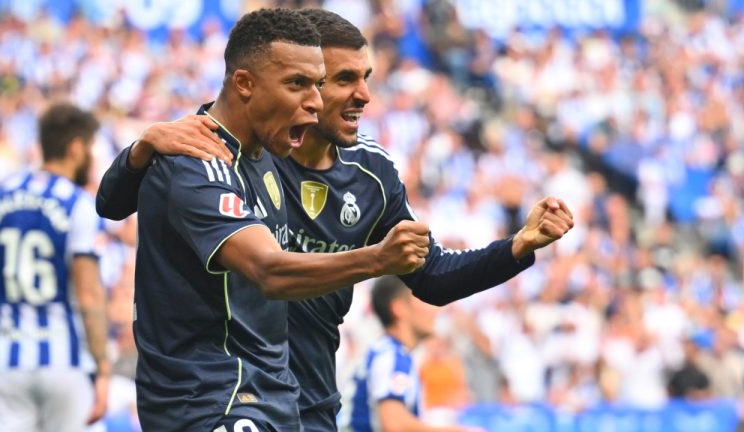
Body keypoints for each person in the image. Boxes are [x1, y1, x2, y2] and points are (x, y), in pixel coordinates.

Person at [96, 9, 573, 431]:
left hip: (306, 399)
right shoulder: (232, 150)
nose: (364, 95)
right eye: (342, 79)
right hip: (225, 397)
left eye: (366, 77)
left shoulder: (370, 174)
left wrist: (517, 246)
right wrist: (140, 150)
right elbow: (119, 203)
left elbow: (432, 275)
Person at [97, 8, 430, 432]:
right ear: (245, 83)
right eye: (297, 84)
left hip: (274, 400)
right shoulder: (198, 160)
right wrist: (378, 259)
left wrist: (139, 149)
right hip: (215, 403)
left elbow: (111, 202)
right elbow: (268, 270)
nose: (315, 102)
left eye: (318, 85)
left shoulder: (265, 156)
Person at [0, 103, 109, 432]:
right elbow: (89, 295)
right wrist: (102, 366)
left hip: (9, 360)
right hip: (66, 361)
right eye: (90, 148)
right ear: (75, 147)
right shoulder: (78, 203)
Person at [344, 276, 474, 432]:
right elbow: (394, 425)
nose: (436, 310)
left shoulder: (389, 352)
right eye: (426, 299)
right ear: (399, 308)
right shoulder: (392, 357)